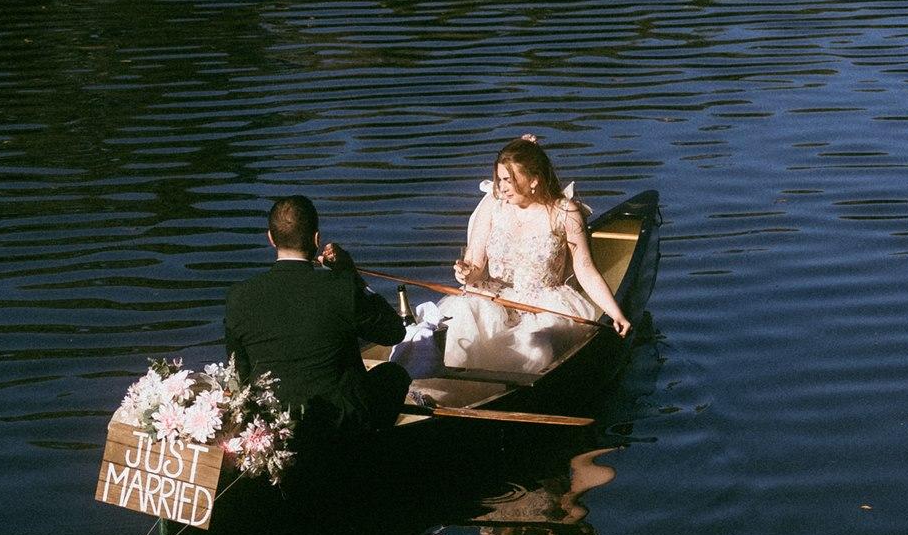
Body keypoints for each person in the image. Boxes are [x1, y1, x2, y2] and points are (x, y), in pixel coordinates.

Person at [224, 195, 409, 453]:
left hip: (271, 423)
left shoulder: (239, 296)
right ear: (316, 239)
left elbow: (239, 370)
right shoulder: (341, 287)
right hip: (336, 423)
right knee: (394, 375)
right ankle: (369, 453)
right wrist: (350, 274)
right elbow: (394, 332)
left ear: (270, 238)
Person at [443, 137, 631, 378]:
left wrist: (616, 313)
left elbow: (585, 268)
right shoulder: (493, 205)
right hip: (494, 298)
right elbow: (475, 266)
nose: (501, 187)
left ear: (534, 180)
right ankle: (462, 384)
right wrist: (467, 273)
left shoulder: (564, 212)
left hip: (544, 306)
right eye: (500, 179)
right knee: (461, 318)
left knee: (533, 343)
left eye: (509, 180)